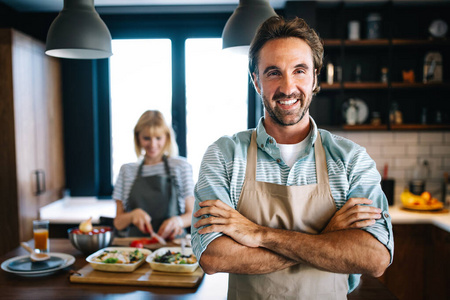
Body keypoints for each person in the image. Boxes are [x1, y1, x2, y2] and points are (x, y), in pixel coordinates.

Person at [191, 16, 393, 299]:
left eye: (299, 70)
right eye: (273, 72)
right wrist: (326, 238)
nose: (288, 87)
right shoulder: (224, 156)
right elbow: (214, 257)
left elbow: (374, 258)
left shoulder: (351, 160)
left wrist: (261, 235)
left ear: (314, 78)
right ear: (256, 81)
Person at [113, 110, 194, 240]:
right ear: (137, 138)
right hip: (136, 247)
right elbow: (118, 223)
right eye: (146, 138)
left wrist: (177, 222)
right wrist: (133, 215)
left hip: (173, 245)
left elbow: (192, 215)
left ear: (167, 137)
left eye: (158, 138)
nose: (153, 144)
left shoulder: (181, 167)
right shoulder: (126, 171)